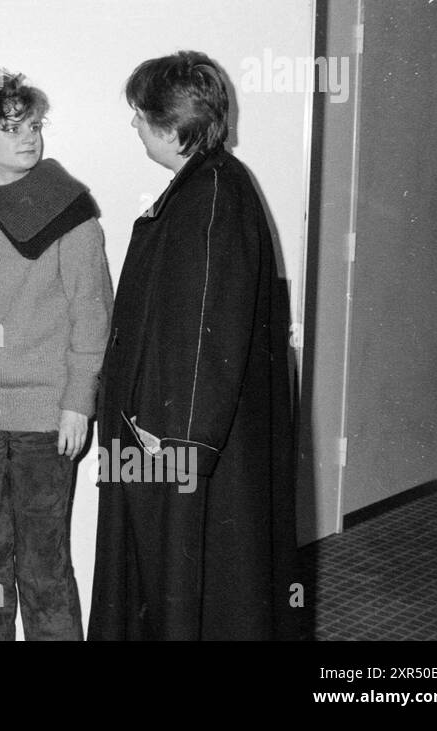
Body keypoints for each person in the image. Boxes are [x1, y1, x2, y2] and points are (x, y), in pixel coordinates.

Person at [89, 50, 298, 641]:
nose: (134, 125)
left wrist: (177, 451)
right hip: (161, 440)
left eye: (140, 114)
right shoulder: (206, 186)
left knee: (184, 599)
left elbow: (210, 333)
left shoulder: (209, 195)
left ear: (173, 126)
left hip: (175, 449)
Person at [0, 69, 112, 641]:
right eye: (12, 127)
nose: (29, 137)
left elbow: (94, 311)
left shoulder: (71, 212)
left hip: (45, 418)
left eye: (34, 125)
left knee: (43, 564)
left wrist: (78, 402)